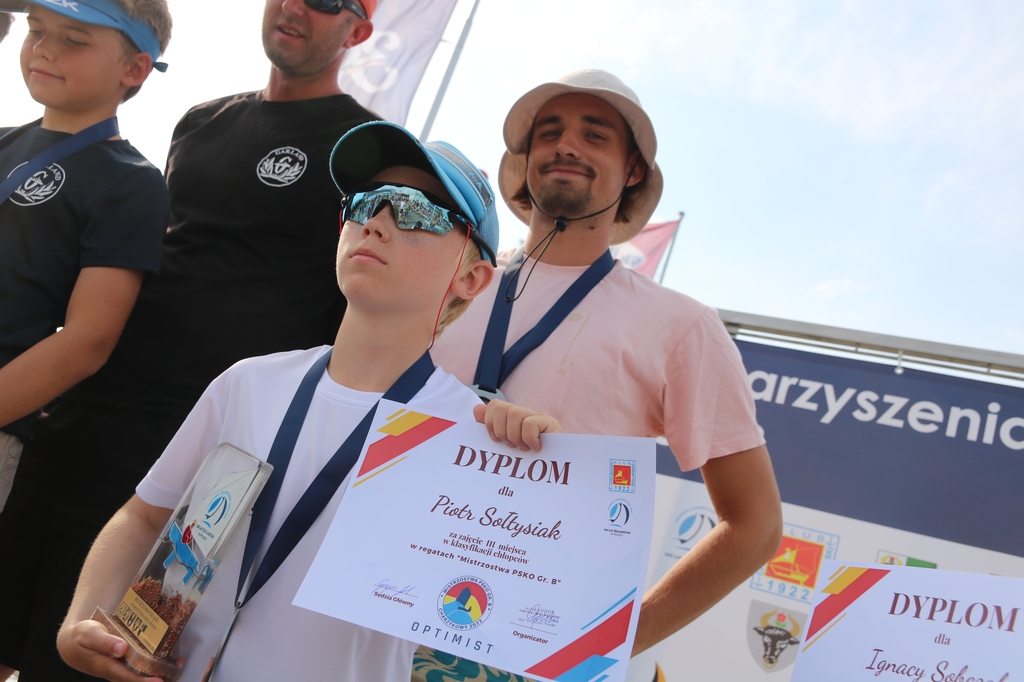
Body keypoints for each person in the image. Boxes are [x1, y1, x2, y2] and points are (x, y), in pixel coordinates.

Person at [57, 121, 561, 682]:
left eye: (417, 211)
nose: (377, 223)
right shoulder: (248, 383)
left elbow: (526, 612)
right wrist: (80, 622)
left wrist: (539, 476)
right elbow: (145, 516)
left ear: (472, 278)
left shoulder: (472, 438)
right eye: (366, 202)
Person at [0, 0, 379, 679]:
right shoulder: (203, 120)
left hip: (200, 451)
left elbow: (355, 304)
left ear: (359, 28)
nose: (295, 7)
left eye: (324, 0)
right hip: (83, 409)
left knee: (98, 656)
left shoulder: (363, 149)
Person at [429, 69, 784, 670]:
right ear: (525, 159)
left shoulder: (683, 327)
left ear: (633, 170)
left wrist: (604, 646)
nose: (566, 146)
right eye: (549, 133)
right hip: (379, 611)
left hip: (525, 650)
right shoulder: (446, 282)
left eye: (595, 135)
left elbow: (756, 524)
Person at [0, 0, 170, 516]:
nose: (44, 48)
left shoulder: (132, 181)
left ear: (134, 68)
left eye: (74, 39)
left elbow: (87, 342)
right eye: (36, 29)